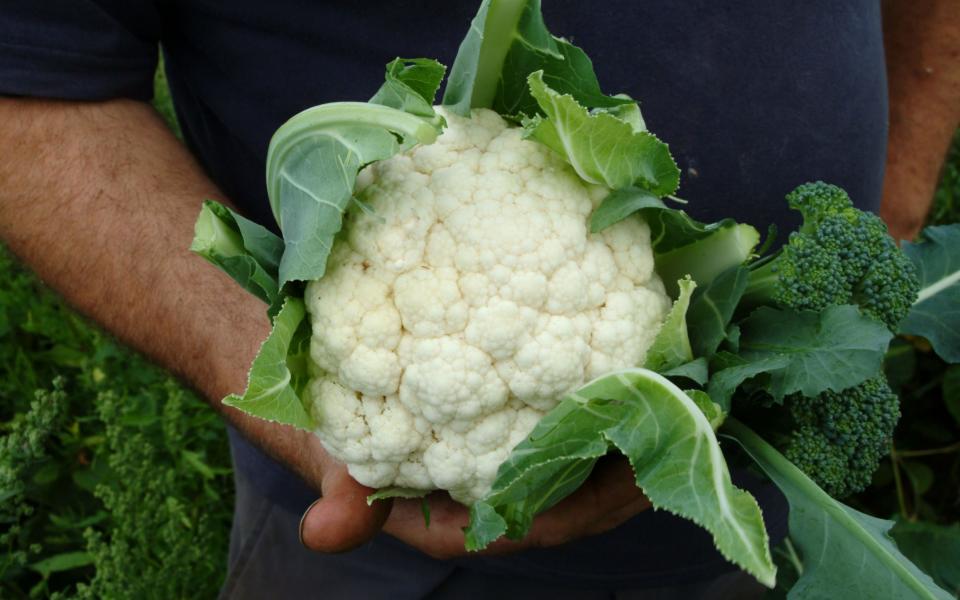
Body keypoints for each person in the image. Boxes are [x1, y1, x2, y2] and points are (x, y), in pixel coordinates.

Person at [1, 1, 957, 598]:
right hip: (390, 558)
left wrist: (893, 214)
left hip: (753, 505)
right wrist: (305, 407)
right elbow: (32, 93)